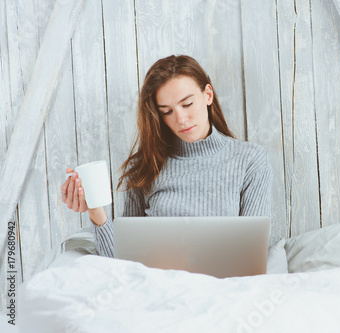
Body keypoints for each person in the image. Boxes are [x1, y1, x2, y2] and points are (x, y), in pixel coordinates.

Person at [61, 55, 273, 257]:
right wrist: (94, 210)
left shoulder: (250, 160)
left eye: (187, 104)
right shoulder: (144, 166)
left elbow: (252, 250)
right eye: (166, 111)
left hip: (221, 285)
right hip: (156, 285)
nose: (181, 119)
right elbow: (124, 259)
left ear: (208, 95)